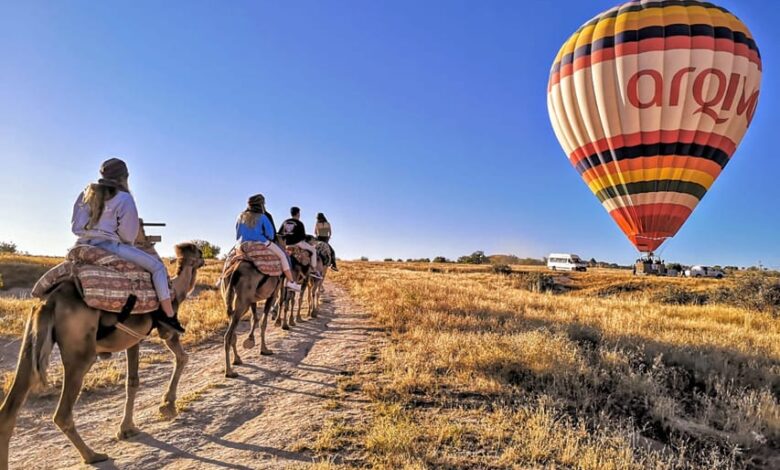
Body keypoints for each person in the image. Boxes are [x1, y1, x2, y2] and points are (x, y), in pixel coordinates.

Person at [71, 158, 185, 333]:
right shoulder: (124, 198)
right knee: (158, 268)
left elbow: (76, 227)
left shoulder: (86, 194)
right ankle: (168, 316)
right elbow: (127, 235)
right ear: (125, 177)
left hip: (81, 246)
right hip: (110, 246)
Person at [235, 194, 301, 292]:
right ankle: (291, 282)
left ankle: (222, 277)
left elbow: (238, 233)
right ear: (261, 204)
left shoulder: (240, 216)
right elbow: (270, 235)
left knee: (230, 258)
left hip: (242, 244)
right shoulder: (262, 217)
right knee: (282, 255)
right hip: (260, 242)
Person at [278, 207, 322, 278]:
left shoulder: (285, 222)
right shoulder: (300, 223)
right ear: (298, 213)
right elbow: (303, 237)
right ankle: (313, 270)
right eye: (299, 213)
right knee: (313, 250)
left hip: (285, 243)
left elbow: (280, 233)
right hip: (297, 243)